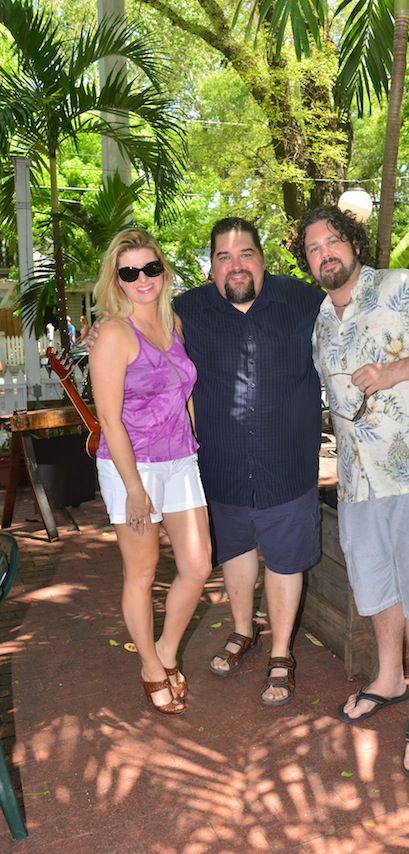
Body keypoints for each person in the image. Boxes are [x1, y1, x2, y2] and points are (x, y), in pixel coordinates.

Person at [290, 207, 409, 778]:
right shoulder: (322, 317)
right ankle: (388, 677)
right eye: (312, 248)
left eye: (332, 242)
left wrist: (395, 371)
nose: (324, 253)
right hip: (359, 476)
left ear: (352, 243)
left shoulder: (402, 287)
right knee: (375, 579)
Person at [172, 217, 325, 706]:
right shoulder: (185, 310)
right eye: (223, 257)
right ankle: (244, 631)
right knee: (234, 553)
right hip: (221, 464)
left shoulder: (305, 300)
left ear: (263, 259)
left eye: (245, 255)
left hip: (287, 463)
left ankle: (281, 651)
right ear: (210, 267)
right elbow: (142, 340)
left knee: (283, 560)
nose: (235, 266)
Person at [89, 228, 212, 716]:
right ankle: (148, 666)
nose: (143, 279)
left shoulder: (173, 323)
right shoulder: (115, 332)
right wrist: (136, 490)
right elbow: (109, 419)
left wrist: (195, 450)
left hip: (180, 460)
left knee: (198, 565)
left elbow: (184, 396)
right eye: (129, 272)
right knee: (140, 573)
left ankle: (165, 650)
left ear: (163, 269)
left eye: (150, 268)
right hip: (131, 466)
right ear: (116, 280)